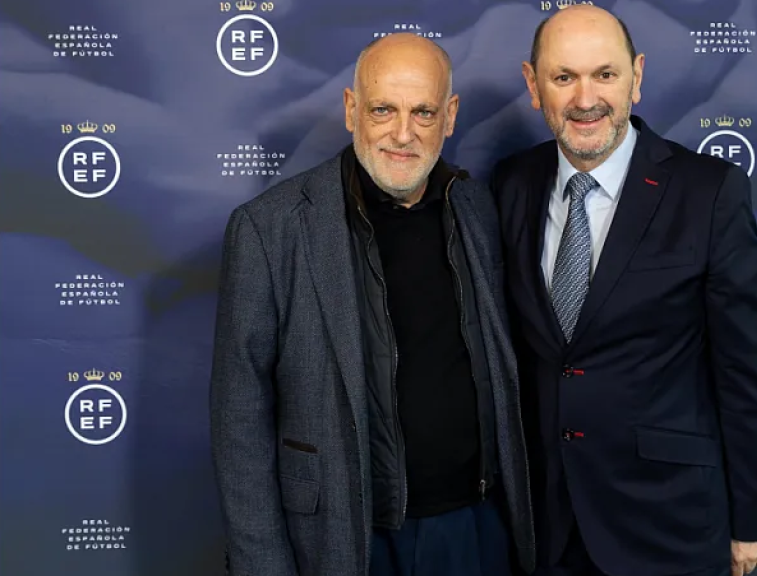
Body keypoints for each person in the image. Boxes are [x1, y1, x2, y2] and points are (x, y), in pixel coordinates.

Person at [209, 33, 535, 576]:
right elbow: (238, 422)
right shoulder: (270, 228)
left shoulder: (477, 207)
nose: (402, 133)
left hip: (474, 529)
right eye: (383, 109)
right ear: (351, 109)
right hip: (343, 538)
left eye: (423, 112)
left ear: (450, 117)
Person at [489, 6, 757, 576]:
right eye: (563, 77)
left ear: (637, 78)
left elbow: (744, 371)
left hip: (668, 523)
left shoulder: (708, 192)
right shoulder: (511, 185)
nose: (585, 98)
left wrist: (753, 518)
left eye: (605, 74)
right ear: (533, 84)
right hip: (548, 527)